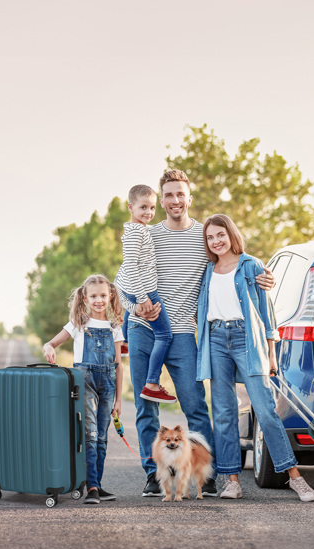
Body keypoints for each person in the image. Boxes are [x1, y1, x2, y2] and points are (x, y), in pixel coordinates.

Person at [116, 169, 274, 498]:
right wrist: (137, 309)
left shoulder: (205, 236)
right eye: (169, 195)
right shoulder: (147, 234)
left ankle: (207, 472)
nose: (175, 200)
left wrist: (264, 275)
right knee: (147, 406)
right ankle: (152, 473)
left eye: (180, 194)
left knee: (195, 405)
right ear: (161, 201)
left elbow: (236, 259)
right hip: (143, 330)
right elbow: (123, 281)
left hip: (184, 334)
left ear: (190, 198)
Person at [196, 214, 314, 502]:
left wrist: (272, 354)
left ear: (231, 234)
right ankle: (232, 481)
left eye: (220, 235)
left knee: (265, 411)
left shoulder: (252, 266)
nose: (216, 242)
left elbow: (267, 314)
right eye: (211, 237)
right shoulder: (208, 270)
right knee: (224, 415)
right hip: (215, 340)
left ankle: (294, 477)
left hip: (246, 339)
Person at [43, 274, 124, 505]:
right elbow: (52, 342)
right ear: (85, 298)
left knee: (102, 437)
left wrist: (119, 400)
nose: (99, 300)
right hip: (85, 383)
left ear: (110, 297)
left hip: (107, 385)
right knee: (90, 436)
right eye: (94, 296)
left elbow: (118, 367)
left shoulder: (115, 327)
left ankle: (96, 483)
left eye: (103, 296)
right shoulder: (78, 324)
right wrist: (48, 347)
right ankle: (92, 487)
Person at [117, 184, 175, 403]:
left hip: (137, 289)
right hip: (146, 290)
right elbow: (130, 267)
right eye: (143, 208)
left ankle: (124, 342)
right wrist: (142, 299)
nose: (148, 213)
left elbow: (124, 272)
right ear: (130, 207)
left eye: (152, 208)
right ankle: (152, 383)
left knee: (156, 331)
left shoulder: (139, 230)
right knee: (164, 335)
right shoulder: (134, 235)